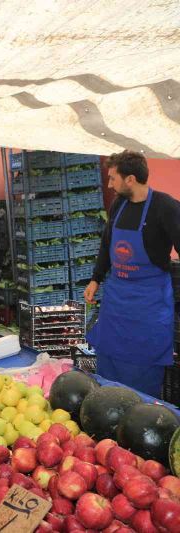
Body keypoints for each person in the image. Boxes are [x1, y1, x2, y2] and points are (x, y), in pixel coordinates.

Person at [85, 150, 180, 398]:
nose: (109, 184)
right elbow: (107, 244)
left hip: (150, 301)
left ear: (130, 180)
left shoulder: (166, 207)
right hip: (117, 298)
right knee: (109, 357)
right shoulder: (119, 205)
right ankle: (108, 402)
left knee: (144, 363)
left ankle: (143, 411)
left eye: (113, 178)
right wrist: (96, 278)